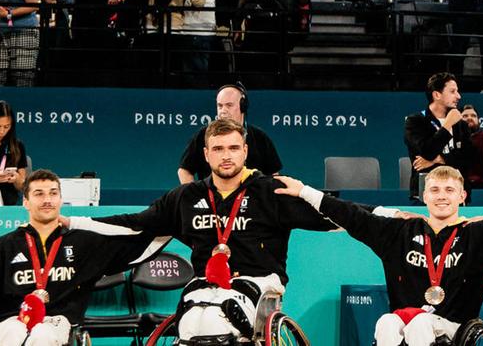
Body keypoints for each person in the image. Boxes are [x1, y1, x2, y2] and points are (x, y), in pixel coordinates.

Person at [70, 118, 336, 344]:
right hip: (205, 284)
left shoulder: (271, 191)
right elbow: (134, 223)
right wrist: (73, 223)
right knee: (191, 323)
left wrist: (312, 194)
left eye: (233, 148)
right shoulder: (186, 197)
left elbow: (333, 216)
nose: (226, 155)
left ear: (245, 151)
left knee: (216, 320)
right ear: (206, 154)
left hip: (259, 281)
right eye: (218, 149)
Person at [275, 164, 483, 346]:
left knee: (421, 322)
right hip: (404, 319)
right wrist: (305, 191)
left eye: (449, 190)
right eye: (434, 190)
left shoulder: (479, 234)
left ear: (462, 197)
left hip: (456, 327)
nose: (441, 195)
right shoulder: (399, 232)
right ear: (424, 196)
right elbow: (352, 216)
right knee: (386, 322)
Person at [0, 169, 155, 346]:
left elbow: (137, 245)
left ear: (61, 199)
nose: (47, 200)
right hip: (11, 321)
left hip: (57, 322)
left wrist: (166, 223)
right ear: (26, 202)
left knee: (43, 334)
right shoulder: (4, 246)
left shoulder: (83, 243)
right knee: (14, 331)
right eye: (39, 194)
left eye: (53, 193)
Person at [177, 85, 283, 184]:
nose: (223, 111)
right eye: (220, 106)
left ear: (243, 106)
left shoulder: (260, 137)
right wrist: (194, 195)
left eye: (229, 105)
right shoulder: (203, 135)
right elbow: (184, 171)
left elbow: (273, 174)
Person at [405, 74, 483, 186]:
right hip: (426, 190)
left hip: (458, 190)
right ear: (437, 95)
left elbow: (469, 158)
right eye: (452, 92)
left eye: (457, 91)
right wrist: (447, 124)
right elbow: (427, 152)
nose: (458, 96)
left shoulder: (461, 125)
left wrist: (439, 159)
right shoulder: (415, 121)